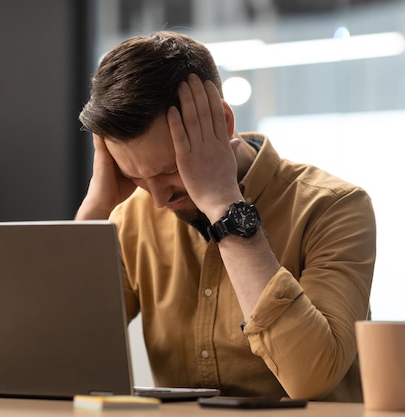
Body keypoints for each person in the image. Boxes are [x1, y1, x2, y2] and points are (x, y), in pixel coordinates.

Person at [76, 30, 376, 402]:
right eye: (135, 175)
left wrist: (223, 206)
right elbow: (64, 359)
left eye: (170, 169)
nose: (156, 198)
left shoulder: (334, 207)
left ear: (223, 123)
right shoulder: (131, 217)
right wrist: (93, 213)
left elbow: (310, 378)